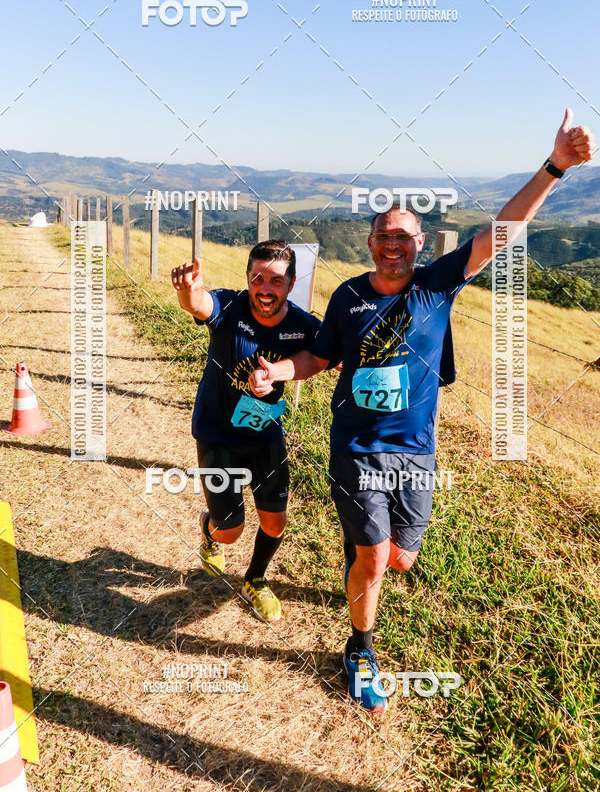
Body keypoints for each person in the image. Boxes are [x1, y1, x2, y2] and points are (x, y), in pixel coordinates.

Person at [248, 109, 595, 707]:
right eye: (384, 236)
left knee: (401, 559)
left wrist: (555, 168)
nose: (393, 246)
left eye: (404, 237)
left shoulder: (436, 284)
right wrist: (279, 369)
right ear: (370, 243)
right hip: (356, 446)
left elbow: (500, 232)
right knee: (377, 554)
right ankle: (360, 647)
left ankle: (364, 561)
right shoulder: (349, 296)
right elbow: (320, 357)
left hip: (416, 452)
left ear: (418, 246)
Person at [171, 239, 321, 621]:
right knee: (231, 530)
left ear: (290, 283)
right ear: (248, 279)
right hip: (217, 434)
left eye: (275, 280)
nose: (265, 288)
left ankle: (255, 579)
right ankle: (210, 529)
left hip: (265, 434)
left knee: (275, 520)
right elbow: (201, 304)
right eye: (257, 278)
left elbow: (325, 355)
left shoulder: (302, 324)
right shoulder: (230, 306)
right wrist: (189, 291)